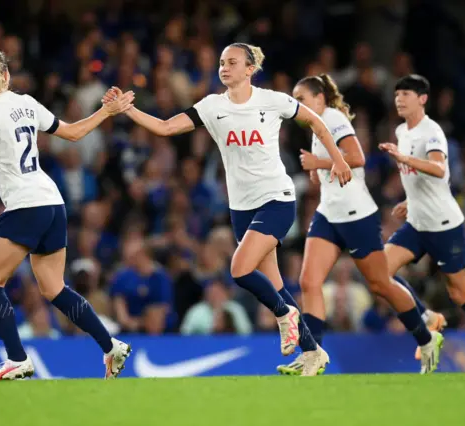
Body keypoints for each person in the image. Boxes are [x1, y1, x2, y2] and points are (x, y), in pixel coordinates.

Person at [103, 42, 353, 376]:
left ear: (250, 69)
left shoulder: (273, 100)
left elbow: (316, 123)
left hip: (276, 198)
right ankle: (312, 352)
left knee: (239, 269)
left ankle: (284, 316)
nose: (224, 67)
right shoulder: (211, 106)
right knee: (274, 285)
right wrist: (127, 111)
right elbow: (165, 127)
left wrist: (337, 159)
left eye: (232, 62)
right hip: (241, 208)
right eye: (221, 62)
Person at [0, 48, 135, 380]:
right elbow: (74, 133)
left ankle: (17, 358)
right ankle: (110, 346)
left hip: (25, 204)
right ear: (4, 75)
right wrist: (106, 112)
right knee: (53, 288)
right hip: (53, 202)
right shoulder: (26, 103)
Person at [276, 74, 444, 376]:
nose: (295, 105)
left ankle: (425, 334)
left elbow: (357, 157)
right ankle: (313, 354)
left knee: (380, 284)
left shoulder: (333, 119)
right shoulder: (316, 127)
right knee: (309, 282)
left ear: (319, 99)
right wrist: (320, 171)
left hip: (356, 215)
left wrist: (318, 164)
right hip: (329, 214)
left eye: (300, 99)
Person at [380, 74, 465, 374]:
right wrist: (410, 200)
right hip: (417, 222)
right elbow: (421, 180)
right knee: (379, 271)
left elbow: (440, 169)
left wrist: (403, 158)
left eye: (406, 94)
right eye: (397, 94)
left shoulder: (432, 132)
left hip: (443, 225)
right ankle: (428, 318)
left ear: (423, 99)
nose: (399, 99)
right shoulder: (402, 130)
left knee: (459, 292)